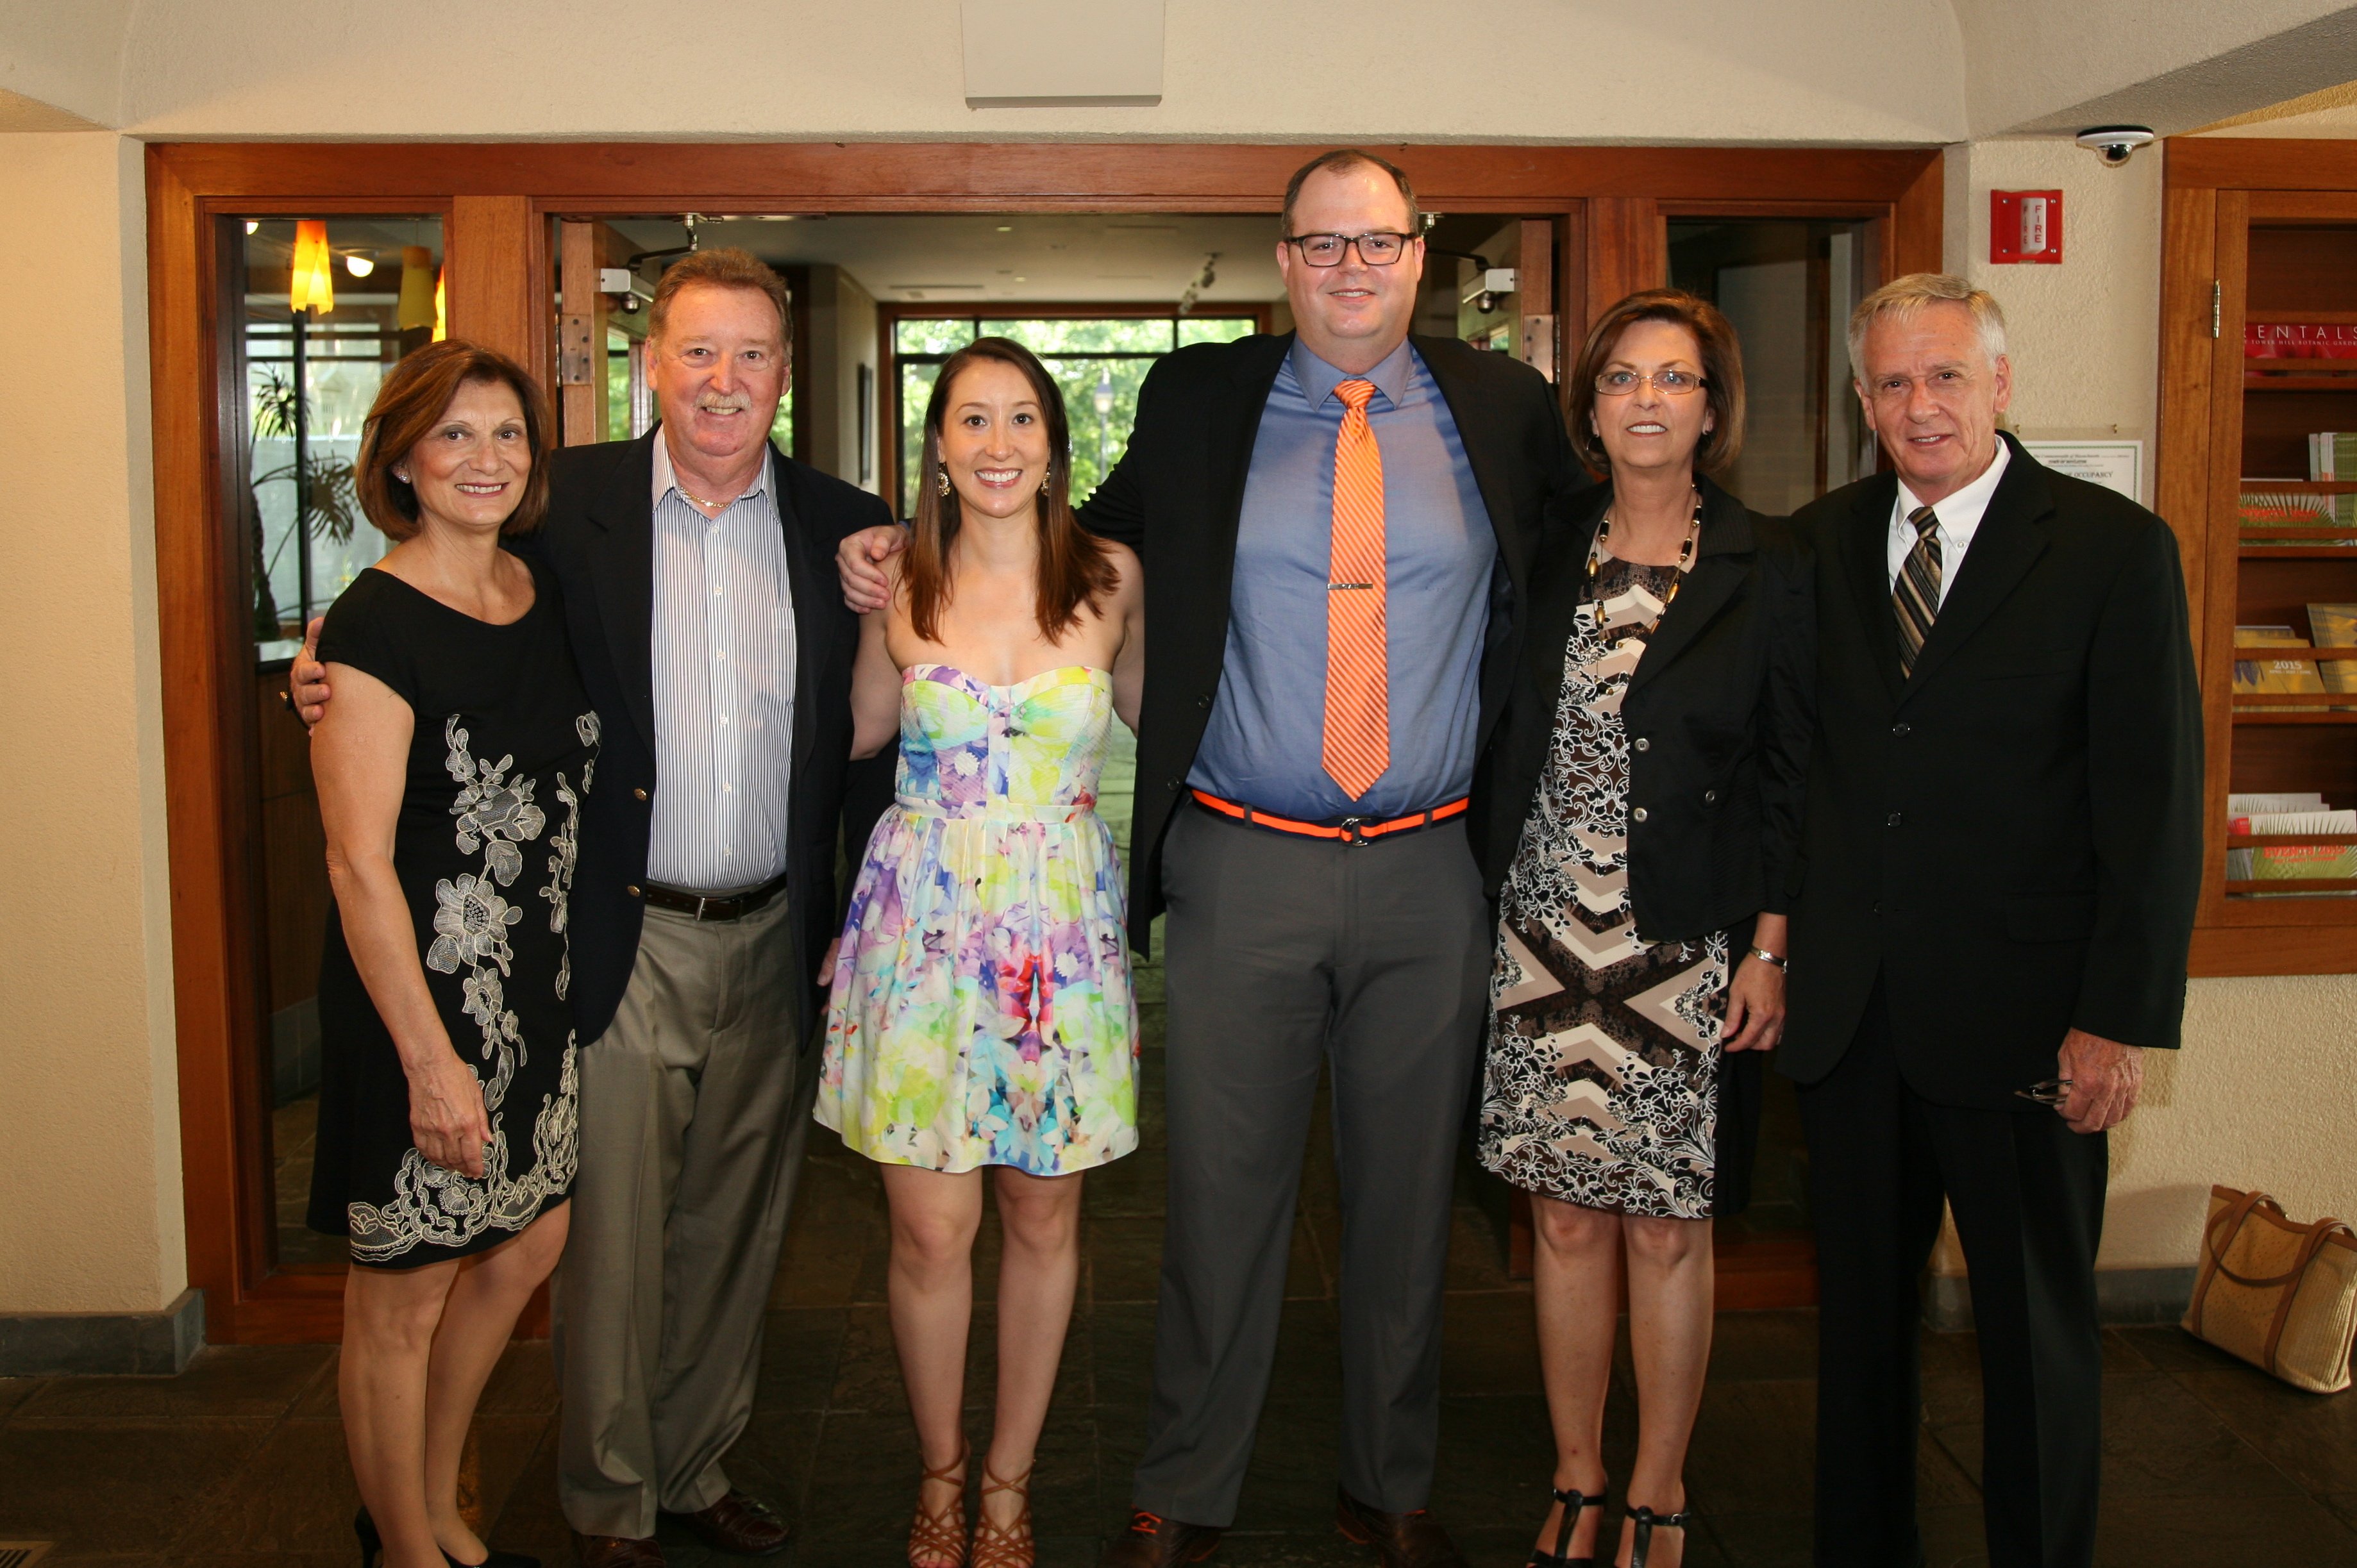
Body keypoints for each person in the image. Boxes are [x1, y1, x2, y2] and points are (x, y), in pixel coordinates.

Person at [844, 149, 1580, 1568]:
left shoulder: (1500, 405)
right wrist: (892, 551)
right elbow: (1074, 530)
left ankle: (1388, 1482)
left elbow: (1580, 555)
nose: (1351, 267)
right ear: (1284, 259)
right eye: (1323, 243)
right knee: (1222, 1196)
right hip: (1246, 857)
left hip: (1428, 861)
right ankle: (1186, 1483)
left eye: (1377, 241)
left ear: (1418, 254)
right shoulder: (1198, 399)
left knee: (1406, 1200)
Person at [297, 248, 892, 1568]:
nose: (724, 381)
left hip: (776, 931)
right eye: (698, 351)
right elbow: (433, 608)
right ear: (650, 363)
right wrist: (326, 670)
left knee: (736, 1230)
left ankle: (695, 1463)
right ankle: (609, 1495)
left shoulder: (846, 526)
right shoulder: (564, 511)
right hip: (618, 932)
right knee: (604, 1243)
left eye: (751, 354)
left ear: (783, 374)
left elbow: (879, 721)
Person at [1781, 274, 2202, 1568]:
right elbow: (1803, 771)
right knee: (1858, 1344)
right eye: (1893, 382)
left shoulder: (2111, 549)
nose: (1921, 405)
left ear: (2001, 383)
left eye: (1946, 375)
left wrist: (2113, 1021)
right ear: (1861, 403)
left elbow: (2153, 806)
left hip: (2028, 1023)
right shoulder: (1816, 544)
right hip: (1853, 1021)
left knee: (2034, 1342)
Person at [1473, 291, 1810, 1568]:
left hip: (1685, 938)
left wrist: (1768, 946)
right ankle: (1576, 1471)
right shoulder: (1546, 545)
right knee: (1563, 1218)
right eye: (1621, 378)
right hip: (1543, 930)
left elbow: (1792, 772)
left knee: (1668, 1225)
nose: (1647, 400)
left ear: (1711, 409)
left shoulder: (1767, 564)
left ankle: (1659, 1488)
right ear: (1592, 407)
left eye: (1674, 378)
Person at [825, 337, 1144, 1568]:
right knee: (929, 1231)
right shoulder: (898, 581)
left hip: (1059, 939)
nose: (998, 443)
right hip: (921, 932)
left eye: (1021, 419)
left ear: (1054, 445)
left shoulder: (1112, 579)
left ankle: (1009, 1480)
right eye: (972, 419)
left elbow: (1179, 719)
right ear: (940, 448)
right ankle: (941, 1472)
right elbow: (853, 731)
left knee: (1042, 1217)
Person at [308, 339, 582, 1568]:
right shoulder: (372, 624)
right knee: (406, 1288)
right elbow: (357, 863)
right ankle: (405, 1550)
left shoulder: (539, 587)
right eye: (455, 434)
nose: (486, 457)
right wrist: (429, 1062)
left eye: (507, 432)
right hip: (418, 1005)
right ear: (403, 460)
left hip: (535, 994)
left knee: (527, 1241)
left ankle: (424, 1499)